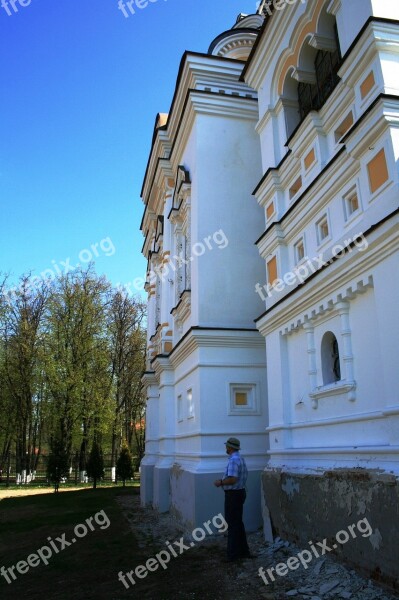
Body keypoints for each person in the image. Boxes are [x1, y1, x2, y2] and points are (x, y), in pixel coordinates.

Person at [214, 437, 251, 561]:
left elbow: (233, 479)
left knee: (232, 524)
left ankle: (232, 554)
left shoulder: (233, 460)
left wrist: (220, 482)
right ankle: (244, 551)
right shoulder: (240, 458)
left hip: (233, 495)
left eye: (227, 446)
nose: (226, 448)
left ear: (230, 447)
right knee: (238, 523)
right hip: (240, 492)